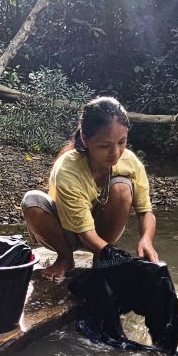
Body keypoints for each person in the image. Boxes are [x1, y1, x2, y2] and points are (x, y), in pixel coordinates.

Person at [21, 96, 159, 282]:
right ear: (85, 139)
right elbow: (85, 234)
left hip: (101, 229)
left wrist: (146, 241)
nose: (115, 153)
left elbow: (146, 212)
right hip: (66, 231)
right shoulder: (68, 168)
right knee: (32, 201)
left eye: (122, 142)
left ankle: (100, 260)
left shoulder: (130, 162)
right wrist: (117, 257)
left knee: (122, 187)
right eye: (105, 145)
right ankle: (65, 258)